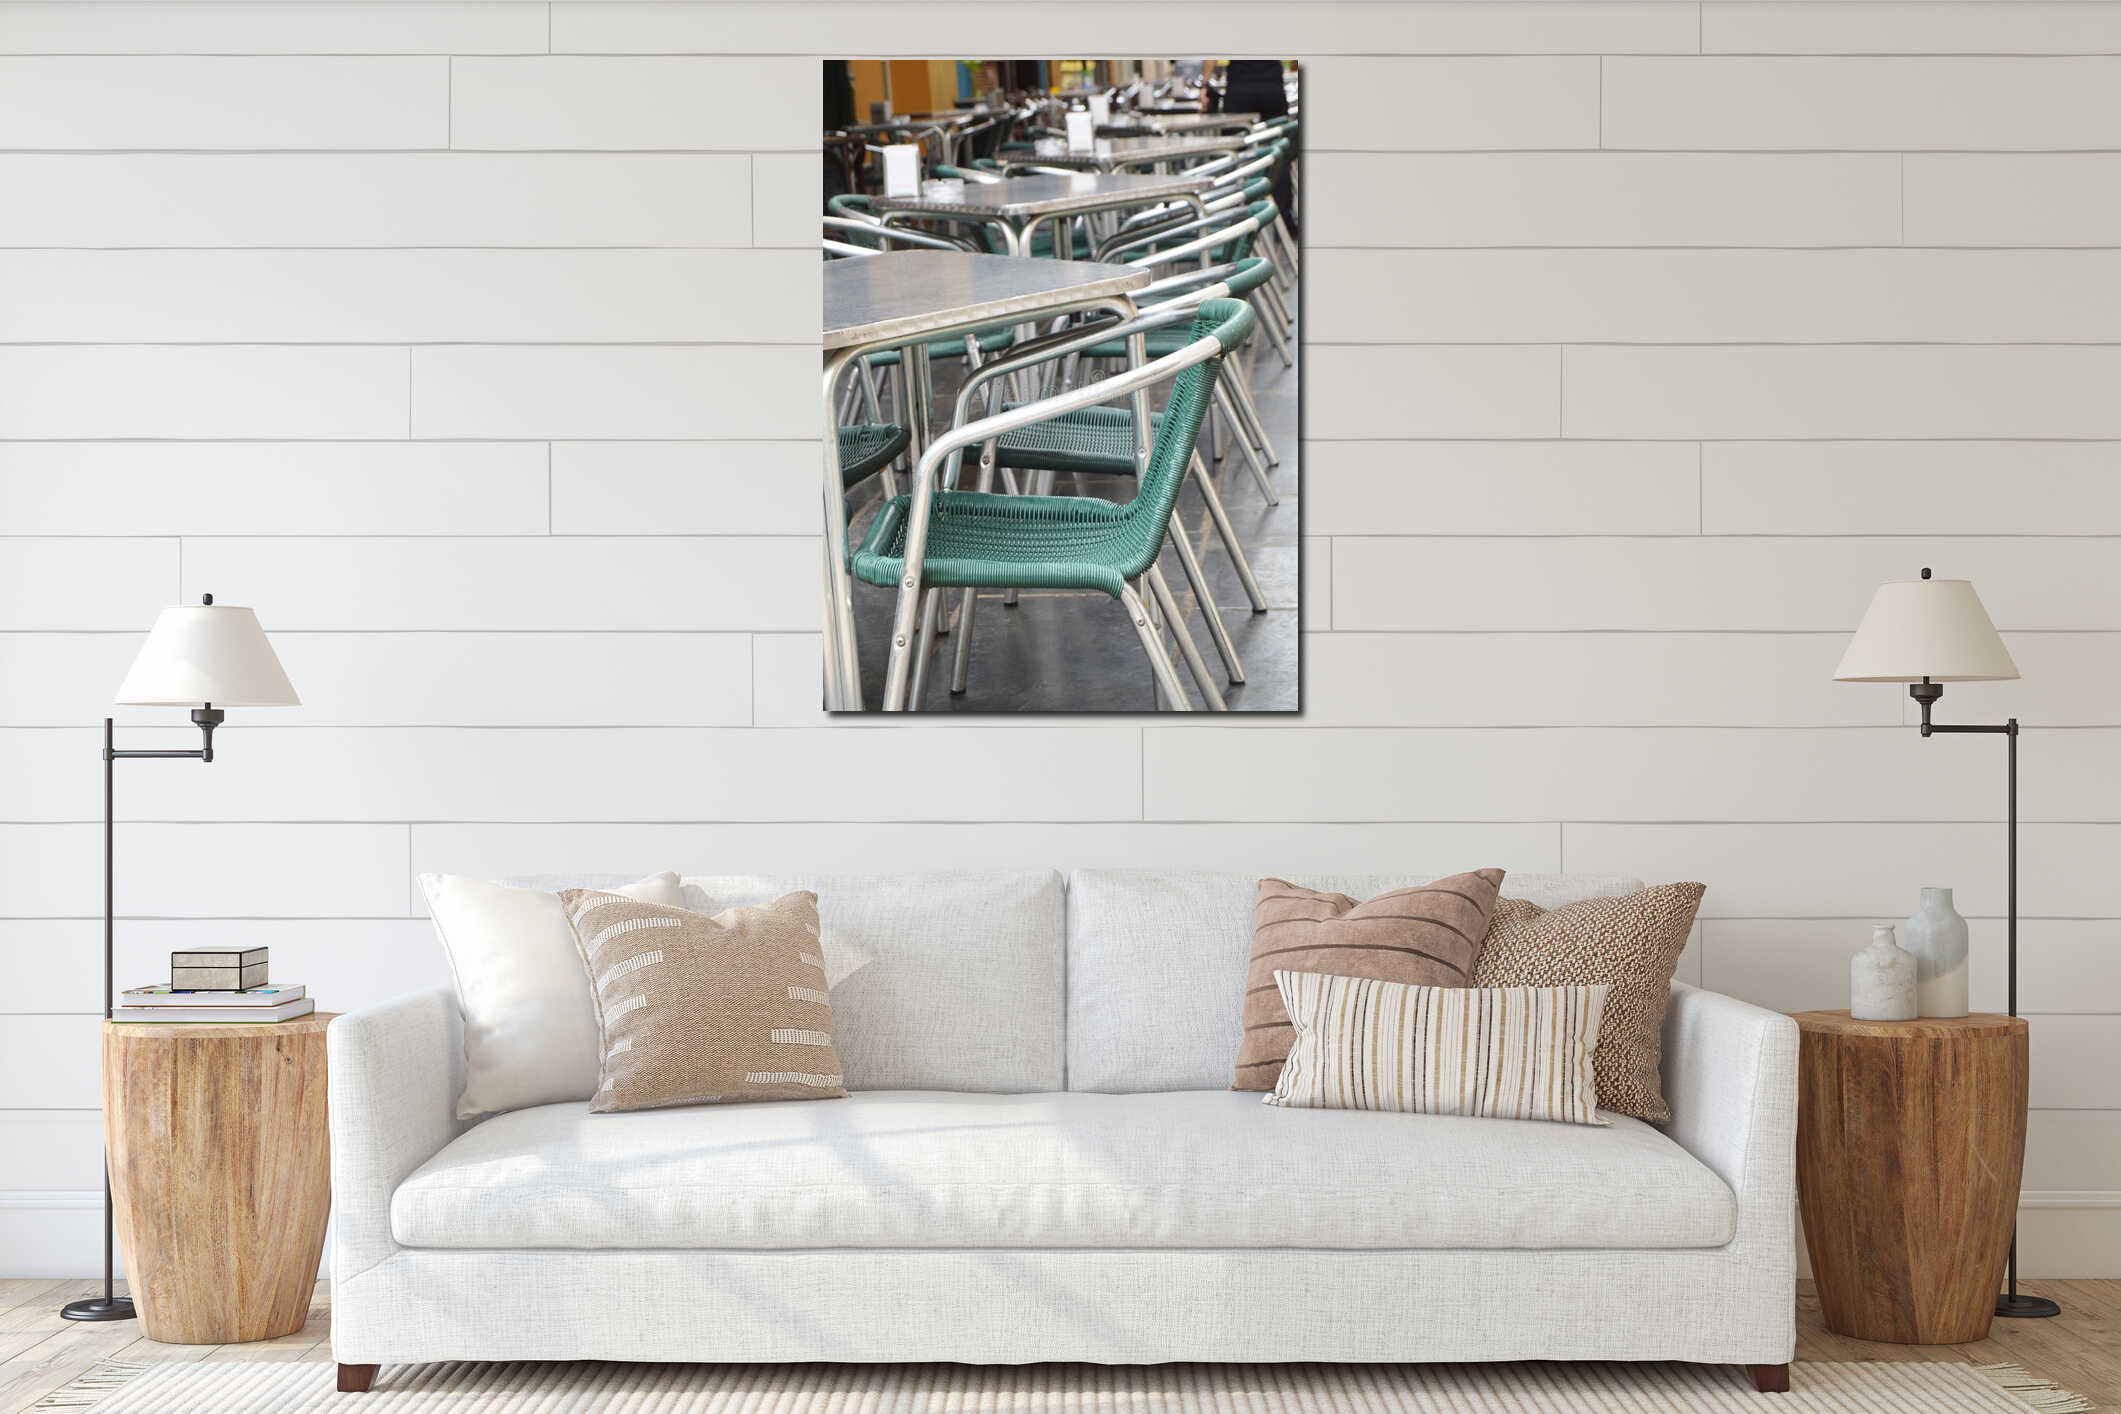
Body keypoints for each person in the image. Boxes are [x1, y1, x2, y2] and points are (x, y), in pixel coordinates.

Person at [1215, 60, 1296, 238]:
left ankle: (1237, 221)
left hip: (1240, 88)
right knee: (1277, 156)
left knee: (1235, 155)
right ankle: (1284, 219)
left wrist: (1206, 84)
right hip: (1271, 87)